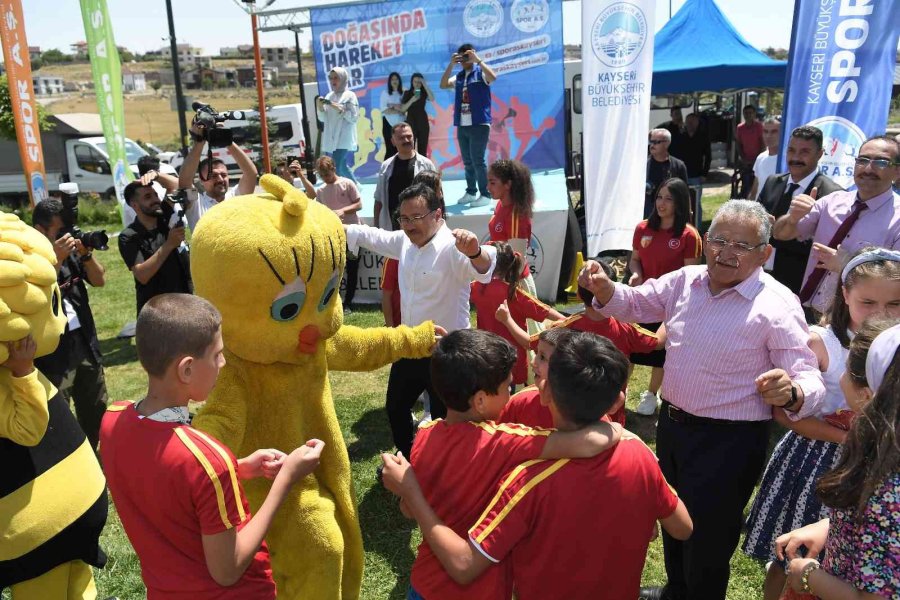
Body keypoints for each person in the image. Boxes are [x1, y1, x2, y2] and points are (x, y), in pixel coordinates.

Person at [579, 199, 825, 600]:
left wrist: (793, 392)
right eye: (719, 240)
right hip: (674, 429)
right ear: (705, 241)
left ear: (765, 253)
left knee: (708, 538)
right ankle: (677, 590)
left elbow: (807, 376)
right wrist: (607, 290)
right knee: (673, 518)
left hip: (728, 442)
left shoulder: (776, 305)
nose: (726, 253)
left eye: (741, 246)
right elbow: (638, 304)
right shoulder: (685, 280)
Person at [381, 332, 692, 600]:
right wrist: (622, 433)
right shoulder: (511, 447)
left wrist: (410, 490)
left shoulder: (425, 435)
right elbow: (682, 527)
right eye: (508, 386)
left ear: (545, 391)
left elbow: (411, 510)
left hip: (425, 583)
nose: (515, 390)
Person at [100, 293, 325, 599]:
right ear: (187, 369)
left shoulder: (113, 420)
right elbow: (228, 570)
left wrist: (239, 468)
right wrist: (286, 479)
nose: (223, 361)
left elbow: (163, 480)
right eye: (217, 354)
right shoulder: (207, 459)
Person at [743, 248, 900, 600]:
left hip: (861, 465)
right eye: (869, 302)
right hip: (814, 463)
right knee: (787, 550)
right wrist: (845, 436)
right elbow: (786, 413)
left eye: (894, 304)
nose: (881, 314)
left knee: (838, 561)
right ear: (845, 294)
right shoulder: (820, 340)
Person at [345, 183, 497, 458]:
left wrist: (475, 251)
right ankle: (410, 457)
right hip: (411, 344)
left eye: (416, 217)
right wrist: (334, 226)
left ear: (437, 215)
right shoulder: (405, 241)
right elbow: (372, 235)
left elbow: (484, 267)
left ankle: (443, 468)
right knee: (396, 406)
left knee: (445, 417)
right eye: (403, 218)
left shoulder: (453, 246)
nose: (408, 225)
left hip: (447, 352)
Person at [776, 316, 900, 599]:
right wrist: (828, 528)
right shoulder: (886, 457)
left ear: (867, 397)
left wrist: (808, 575)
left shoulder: (886, 489)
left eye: (845, 368)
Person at [772, 135, 900, 321]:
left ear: (897, 171)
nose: (868, 168)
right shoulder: (831, 202)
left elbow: (895, 280)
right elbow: (780, 235)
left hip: (857, 323)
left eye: (880, 162)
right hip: (807, 310)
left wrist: (847, 264)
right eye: (862, 160)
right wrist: (792, 218)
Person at [32, 199, 109, 449]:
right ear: (40, 230)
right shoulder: (29, 258)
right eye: (59, 232)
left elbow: (99, 281)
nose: (66, 237)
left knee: (95, 403)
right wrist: (56, 260)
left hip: (84, 341)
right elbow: (37, 294)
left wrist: (85, 255)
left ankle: (96, 450)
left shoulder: (73, 254)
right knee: (60, 412)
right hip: (54, 351)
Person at [628, 177, 702, 416]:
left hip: (670, 304)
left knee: (660, 353)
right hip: (643, 299)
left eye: (668, 199)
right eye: (659, 197)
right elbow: (635, 260)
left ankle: (651, 395)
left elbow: (692, 275)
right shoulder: (642, 229)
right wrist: (636, 275)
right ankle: (618, 390)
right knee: (629, 346)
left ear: (680, 203)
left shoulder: (689, 236)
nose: (662, 203)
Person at [757, 126, 843, 297]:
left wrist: (791, 227)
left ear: (819, 154)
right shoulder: (773, 182)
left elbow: (827, 245)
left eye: (804, 152)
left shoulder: (833, 195)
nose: (795, 157)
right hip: (760, 278)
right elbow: (757, 225)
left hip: (799, 286)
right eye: (791, 150)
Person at [471, 242, 564, 388]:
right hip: (513, 363)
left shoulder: (476, 287)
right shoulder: (514, 293)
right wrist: (565, 322)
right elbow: (550, 313)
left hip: (487, 358)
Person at [118, 180, 193, 316]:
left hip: (184, 302)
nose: (155, 200)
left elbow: (177, 185)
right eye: (148, 197)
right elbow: (142, 275)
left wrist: (156, 175)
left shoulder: (163, 216)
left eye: (155, 195)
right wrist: (169, 244)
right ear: (135, 205)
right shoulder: (128, 236)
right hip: (156, 311)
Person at [440, 43, 498, 207]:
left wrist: (478, 60)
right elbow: (443, 85)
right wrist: (451, 65)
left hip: (479, 123)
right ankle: (471, 192)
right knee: (467, 161)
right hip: (463, 125)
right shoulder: (458, 77)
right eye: (462, 56)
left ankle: (485, 194)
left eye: (467, 55)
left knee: (478, 160)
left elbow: (493, 77)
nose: (465, 59)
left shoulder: (480, 73)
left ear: (472, 55)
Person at [177, 119, 259, 231]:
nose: (220, 179)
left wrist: (227, 140)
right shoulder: (196, 203)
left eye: (224, 175)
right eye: (213, 176)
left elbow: (251, 173)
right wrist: (200, 142)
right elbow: (185, 181)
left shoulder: (236, 197)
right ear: (201, 180)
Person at [309, 156, 362, 313]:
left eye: (327, 173)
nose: (326, 177)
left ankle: (349, 302)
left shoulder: (347, 184)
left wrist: (342, 211)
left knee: (352, 269)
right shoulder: (321, 191)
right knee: (335, 271)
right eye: (322, 175)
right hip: (333, 237)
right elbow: (319, 211)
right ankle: (335, 301)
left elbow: (359, 204)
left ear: (333, 169)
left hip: (352, 234)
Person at [486, 159, 538, 298]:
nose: (488, 187)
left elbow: (517, 261)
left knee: (524, 321)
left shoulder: (516, 216)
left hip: (516, 285)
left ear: (508, 184)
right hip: (503, 280)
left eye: (492, 183)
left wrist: (508, 291)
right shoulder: (500, 205)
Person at [373, 122, 436, 230]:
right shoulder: (386, 167)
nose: (406, 140)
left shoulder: (427, 165)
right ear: (393, 141)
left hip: (420, 226)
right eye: (401, 138)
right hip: (393, 227)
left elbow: (437, 197)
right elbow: (378, 200)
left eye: (409, 136)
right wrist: (376, 226)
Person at [316, 67, 360, 185]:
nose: (333, 81)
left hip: (344, 136)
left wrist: (336, 107)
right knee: (342, 165)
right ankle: (356, 186)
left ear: (343, 79)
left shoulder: (350, 95)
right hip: (332, 136)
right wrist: (320, 107)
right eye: (331, 78)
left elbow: (354, 117)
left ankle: (348, 188)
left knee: (336, 164)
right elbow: (323, 118)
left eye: (336, 78)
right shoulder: (329, 96)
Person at [646, 129, 688, 219]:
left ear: (667, 143)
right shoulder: (642, 165)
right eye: (650, 142)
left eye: (656, 142)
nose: (652, 145)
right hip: (648, 214)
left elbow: (685, 193)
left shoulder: (678, 165)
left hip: (671, 216)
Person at [678, 113, 712, 228]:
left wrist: (704, 173)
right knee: (681, 202)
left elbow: (708, 156)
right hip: (682, 176)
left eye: (693, 121)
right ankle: (682, 226)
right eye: (688, 121)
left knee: (696, 203)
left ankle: (697, 227)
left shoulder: (703, 136)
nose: (690, 124)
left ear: (697, 123)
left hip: (697, 175)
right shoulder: (680, 136)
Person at [399, 72, 435, 156]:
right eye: (415, 81)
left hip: (423, 121)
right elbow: (403, 109)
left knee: (423, 149)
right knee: (410, 147)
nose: (417, 84)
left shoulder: (424, 92)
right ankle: (410, 167)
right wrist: (412, 100)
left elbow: (432, 98)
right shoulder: (407, 93)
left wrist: (425, 85)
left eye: (419, 82)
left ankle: (422, 168)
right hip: (411, 121)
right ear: (412, 82)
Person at [749, 117, 781, 201]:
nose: (768, 136)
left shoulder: (787, 160)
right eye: (765, 131)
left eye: (774, 132)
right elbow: (755, 190)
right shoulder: (760, 158)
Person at [735, 105, 765, 198]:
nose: (748, 115)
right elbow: (739, 144)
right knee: (745, 185)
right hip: (745, 162)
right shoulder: (740, 127)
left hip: (758, 161)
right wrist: (743, 159)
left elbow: (763, 144)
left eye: (750, 113)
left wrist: (756, 160)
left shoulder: (759, 126)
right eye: (746, 113)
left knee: (756, 185)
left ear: (754, 114)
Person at [380, 72, 405, 159]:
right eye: (392, 79)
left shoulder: (404, 93)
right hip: (388, 124)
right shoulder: (385, 93)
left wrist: (392, 106)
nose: (395, 81)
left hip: (401, 125)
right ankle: (386, 171)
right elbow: (385, 110)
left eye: (396, 79)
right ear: (389, 81)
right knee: (390, 150)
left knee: (401, 149)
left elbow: (404, 110)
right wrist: (398, 108)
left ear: (399, 81)